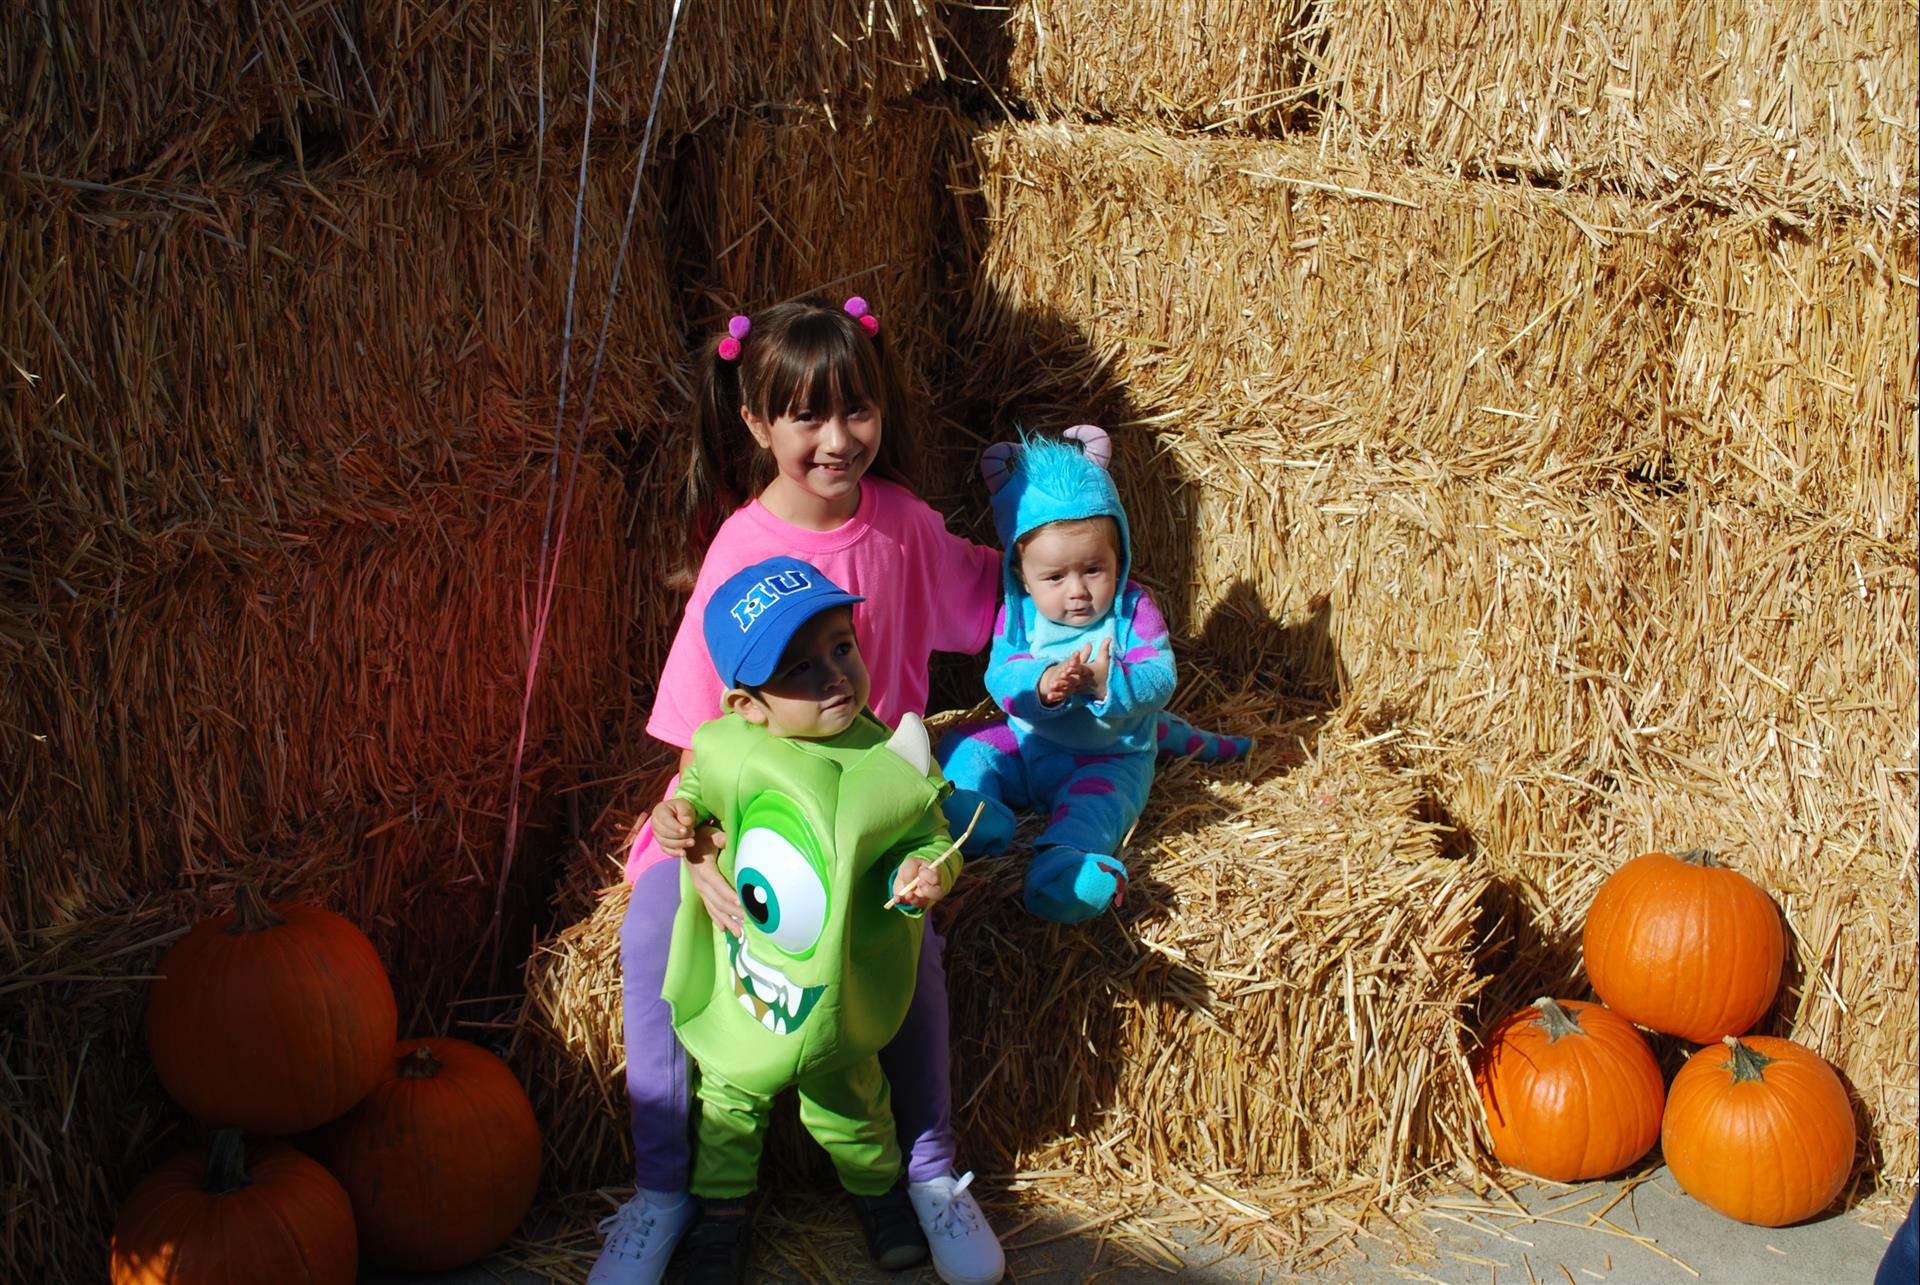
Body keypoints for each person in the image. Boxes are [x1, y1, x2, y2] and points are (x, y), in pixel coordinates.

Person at [591, 296, 1005, 1285]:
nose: (838, 439)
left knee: (916, 947)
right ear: (755, 422)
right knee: (650, 930)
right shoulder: (740, 549)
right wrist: (701, 856)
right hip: (747, 816)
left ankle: (930, 1172)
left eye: (857, 409)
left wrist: (1094, 586)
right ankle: (663, 1190)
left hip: (870, 810)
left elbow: (1000, 596)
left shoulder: (904, 528)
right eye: (807, 417)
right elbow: (701, 742)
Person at [656, 556, 959, 1281]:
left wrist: (928, 872)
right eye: (799, 668)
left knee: (852, 1096)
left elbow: (930, 836)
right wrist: (678, 816)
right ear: (747, 705)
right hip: (753, 971)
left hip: (837, 980)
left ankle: (878, 1193)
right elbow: (693, 787)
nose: (834, 676)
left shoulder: (888, 758)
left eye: (841, 647)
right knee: (729, 1098)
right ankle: (721, 1213)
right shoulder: (734, 750)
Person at [935, 425, 1251, 924]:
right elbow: (1001, 676)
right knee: (964, 747)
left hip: (1109, 755)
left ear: (1118, 558)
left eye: (1094, 569)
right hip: (1029, 744)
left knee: (1096, 811)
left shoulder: (1132, 611)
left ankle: (1065, 869)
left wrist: (1108, 683)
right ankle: (977, 816)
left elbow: (1160, 678)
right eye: (1055, 577)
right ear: (1022, 575)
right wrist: (1042, 685)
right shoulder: (1018, 615)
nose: (1077, 590)